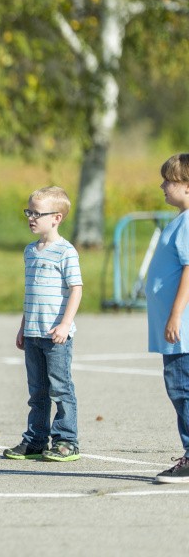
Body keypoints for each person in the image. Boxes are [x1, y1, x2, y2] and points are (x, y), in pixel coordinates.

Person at [3, 186, 83, 463]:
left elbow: (76, 290)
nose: (31, 218)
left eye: (37, 213)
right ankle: (36, 440)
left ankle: (66, 440)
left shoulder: (65, 251)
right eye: (29, 212)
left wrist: (65, 325)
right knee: (37, 392)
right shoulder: (30, 251)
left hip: (56, 336)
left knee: (60, 388)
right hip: (34, 332)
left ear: (56, 218)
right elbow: (31, 294)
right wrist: (24, 326)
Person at [146, 154, 189, 483]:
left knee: (181, 389)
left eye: (170, 181)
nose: (163, 185)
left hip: (182, 329)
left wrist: (175, 315)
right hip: (175, 330)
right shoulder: (179, 220)